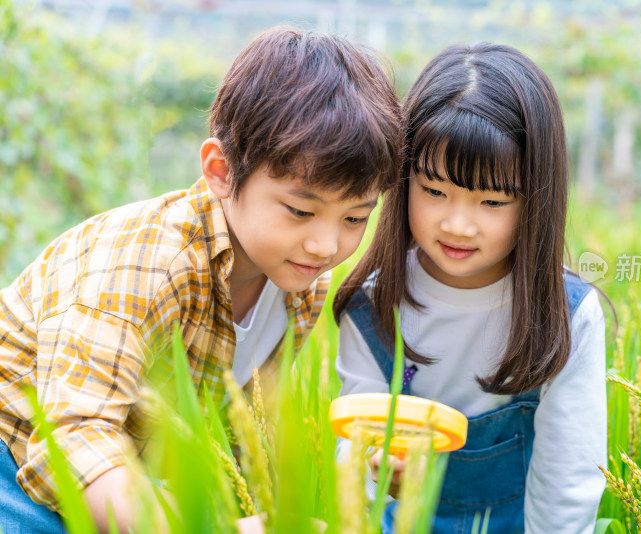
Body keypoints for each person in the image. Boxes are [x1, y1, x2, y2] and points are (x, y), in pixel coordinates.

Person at [0, 27, 401, 534]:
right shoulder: (149, 260)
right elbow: (72, 441)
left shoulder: (301, 285)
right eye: (301, 210)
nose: (327, 246)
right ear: (222, 171)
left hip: (125, 468)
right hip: (21, 452)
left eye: (354, 218)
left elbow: (237, 429)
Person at [333, 42, 607, 533]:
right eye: (435, 192)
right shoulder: (371, 306)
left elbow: (567, 483)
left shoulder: (566, 316)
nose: (458, 225)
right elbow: (356, 443)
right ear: (402, 179)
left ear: (536, 201)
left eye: (492, 201)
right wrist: (373, 462)